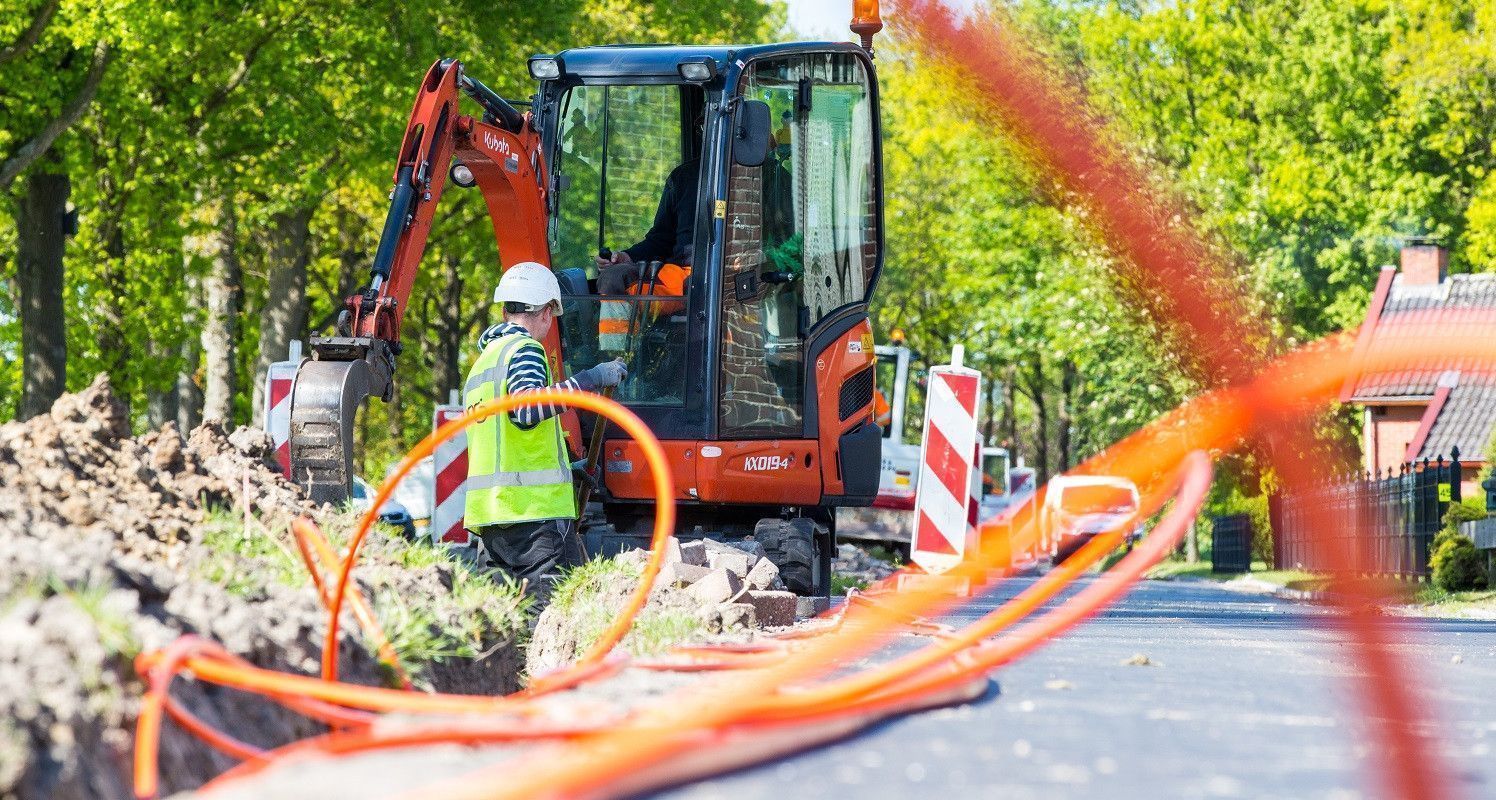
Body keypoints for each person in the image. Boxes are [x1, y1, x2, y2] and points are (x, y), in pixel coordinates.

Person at [464, 262, 628, 582]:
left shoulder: (484, 362)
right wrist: (591, 378)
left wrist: (568, 468)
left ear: (505, 312)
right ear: (546, 313)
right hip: (533, 516)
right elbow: (527, 410)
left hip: (493, 518)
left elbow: (507, 436)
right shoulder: (524, 349)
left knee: (509, 618)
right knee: (550, 612)